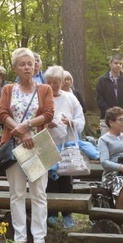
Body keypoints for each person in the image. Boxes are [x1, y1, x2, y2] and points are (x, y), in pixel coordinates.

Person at [0, 48, 55, 243]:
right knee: (17, 194)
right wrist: (21, 132)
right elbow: (3, 113)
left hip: (38, 146)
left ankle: (39, 238)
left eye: (30, 63)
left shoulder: (45, 89)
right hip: (14, 146)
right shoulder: (8, 90)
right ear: (15, 68)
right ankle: (19, 238)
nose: (27, 67)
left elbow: (49, 114)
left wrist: (28, 124)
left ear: (35, 65)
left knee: (39, 193)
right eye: (22, 64)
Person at [45, 65, 85, 230]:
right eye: (51, 82)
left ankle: (67, 214)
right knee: (50, 180)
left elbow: (80, 118)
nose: (54, 85)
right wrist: (47, 122)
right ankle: (52, 213)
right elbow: (36, 117)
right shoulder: (43, 96)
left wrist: (70, 122)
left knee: (66, 180)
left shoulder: (70, 98)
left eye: (57, 82)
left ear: (62, 82)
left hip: (68, 142)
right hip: (49, 143)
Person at [95, 54, 123, 133]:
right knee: (106, 143)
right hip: (106, 119)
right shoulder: (102, 80)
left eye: (120, 64)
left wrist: (122, 114)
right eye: (116, 63)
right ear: (110, 64)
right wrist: (111, 114)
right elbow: (100, 100)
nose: (118, 65)